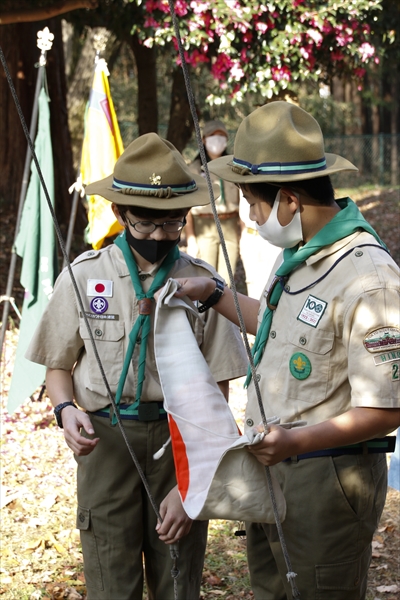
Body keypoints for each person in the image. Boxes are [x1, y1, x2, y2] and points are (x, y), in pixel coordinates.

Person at [171, 102, 400, 600]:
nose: (251, 218)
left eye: (254, 203)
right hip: (274, 467)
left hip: (328, 479)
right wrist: (213, 294)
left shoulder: (368, 277)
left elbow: (386, 410)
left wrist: (296, 443)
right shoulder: (297, 255)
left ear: (291, 200)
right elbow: (279, 327)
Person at [25, 133, 248, 600]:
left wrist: (194, 481)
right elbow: (58, 363)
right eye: (144, 225)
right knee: (110, 574)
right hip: (106, 443)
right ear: (119, 214)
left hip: (177, 440)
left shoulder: (204, 285)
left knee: (177, 573)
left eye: (172, 225)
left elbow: (220, 387)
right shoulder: (85, 276)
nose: (158, 238)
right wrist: (66, 410)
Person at [185, 119, 241, 284]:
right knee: (206, 278)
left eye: (221, 136)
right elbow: (187, 207)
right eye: (212, 136)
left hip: (230, 224)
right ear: (203, 140)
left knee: (227, 280)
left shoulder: (233, 167)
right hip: (204, 225)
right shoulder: (193, 169)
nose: (217, 140)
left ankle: (225, 311)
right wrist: (191, 237)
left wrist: (241, 231)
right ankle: (206, 311)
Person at [239, 192, 281, 299]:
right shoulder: (242, 185)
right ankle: (256, 314)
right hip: (249, 235)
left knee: (272, 280)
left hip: (270, 236)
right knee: (251, 281)